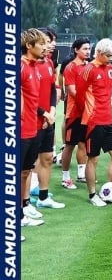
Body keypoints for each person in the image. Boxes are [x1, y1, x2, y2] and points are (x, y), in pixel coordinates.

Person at [76, 38, 112, 207]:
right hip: (93, 121)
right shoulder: (88, 69)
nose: (111, 59)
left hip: (108, 120)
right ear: (98, 53)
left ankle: (109, 187)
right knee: (94, 159)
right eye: (107, 56)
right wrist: (87, 114)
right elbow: (80, 96)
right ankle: (92, 195)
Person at [32, 28, 65, 210]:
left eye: (51, 41)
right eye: (46, 41)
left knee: (46, 158)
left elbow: (52, 90)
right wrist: (43, 114)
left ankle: (43, 197)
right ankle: (26, 201)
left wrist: (51, 112)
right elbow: (26, 97)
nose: (50, 44)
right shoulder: (25, 65)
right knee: (27, 165)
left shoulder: (49, 63)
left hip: (48, 118)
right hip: (32, 120)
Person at [20, 29, 48, 228]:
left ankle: (21, 212)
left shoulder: (36, 67)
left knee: (24, 172)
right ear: (29, 46)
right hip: (19, 131)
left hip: (33, 127)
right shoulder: (18, 67)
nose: (45, 47)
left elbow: (32, 100)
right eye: (41, 44)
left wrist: (43, 114)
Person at [60, 38, 92, 189]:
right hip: (74, 113)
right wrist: (88, 102)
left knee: (84, 144)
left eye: (89, 49)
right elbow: (72, 91)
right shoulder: (71, 67)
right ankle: (65, 177)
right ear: (76, 50)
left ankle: (81, 174)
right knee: (70, 145)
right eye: (85, 49)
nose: (88, 51)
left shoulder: (90, 66)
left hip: (87, 112)